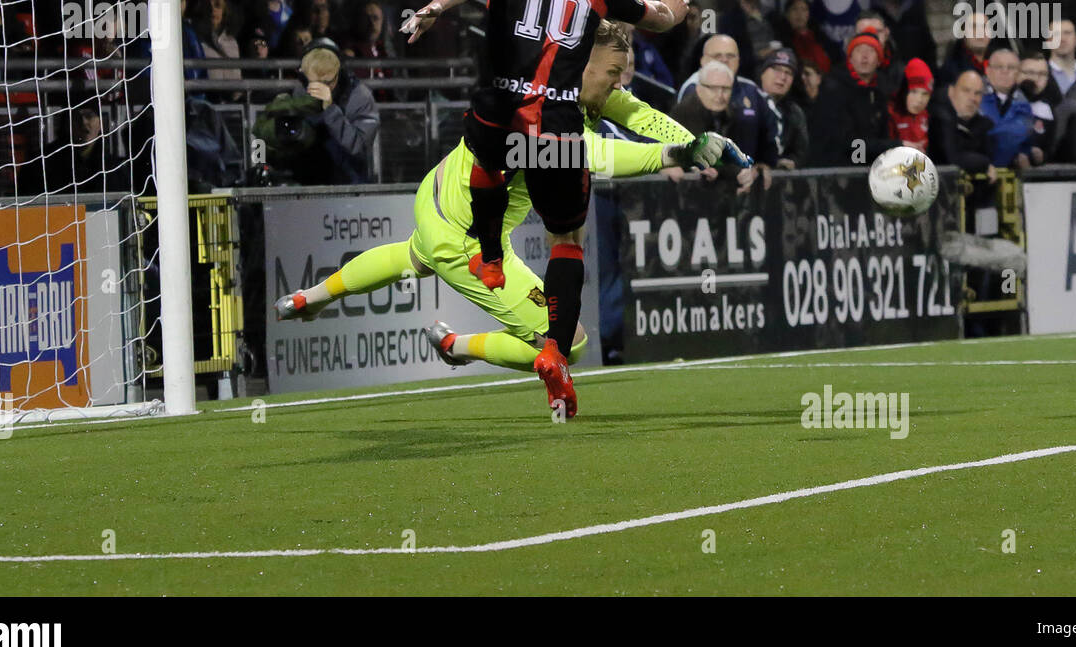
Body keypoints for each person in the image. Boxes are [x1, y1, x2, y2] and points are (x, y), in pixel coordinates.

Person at [275, 22, 748, 416]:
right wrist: (677, 154)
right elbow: (596, 154)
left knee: (413, 255)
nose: (619, 85)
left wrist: (701, 143)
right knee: (571, 340)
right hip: (466, 237)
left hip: (440, 193)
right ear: (581, 65)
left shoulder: (556, 82)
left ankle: (309, 297)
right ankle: (456, 346)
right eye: (612, 74)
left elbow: (640, 114)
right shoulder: (540, 116)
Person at [399, 0, 689, 396]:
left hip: (499, 114)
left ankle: (488, 256)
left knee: (488, 161)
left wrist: (434, 7)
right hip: (556, 127)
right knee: (566, 242)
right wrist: (675, 10)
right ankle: (555, 352)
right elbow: (655, 16)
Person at [253, 38, 379, 185]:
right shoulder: (301, 91)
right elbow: (283, 139)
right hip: (307, 182)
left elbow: (358, 146)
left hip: (350, 184)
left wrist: (330, 109)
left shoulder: (359, 96)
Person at [671, 60, 774, 191]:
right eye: (713, 88)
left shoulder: (731, 113)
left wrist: (753, 169)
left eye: (725, 89)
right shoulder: (687, 111)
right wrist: (735, 171)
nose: (720, 95)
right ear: (699, 88)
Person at [806, 31, 900, 166]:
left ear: (879, 60)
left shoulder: (881, 90)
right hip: (834, 171)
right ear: (850, 58)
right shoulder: (833, 88)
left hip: (866, 169)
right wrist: (893, 146)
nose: (864, 56)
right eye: (859, 50)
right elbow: (847, 142)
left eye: (871, 51)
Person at [980, 46, 1041, 169]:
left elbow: (1024, 139)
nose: (1005, 71)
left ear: (1018, 74)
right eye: (999, 67)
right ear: (988, 70)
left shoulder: (1024, 105)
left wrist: (1026, 152)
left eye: (1011, 67)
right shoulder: (974, 94)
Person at [872, 0, 936, 71]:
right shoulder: (874, 16)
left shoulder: (914, 12)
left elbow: (929, 47)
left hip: (916, 75)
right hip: (887, 79)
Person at [758, 47, 809, 169]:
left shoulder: (794, 112)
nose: (782, 77)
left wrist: (791, 162)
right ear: (762, 73)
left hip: (781, 183)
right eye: (777, 69)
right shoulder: (745, 104)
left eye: (788, 73)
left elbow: (801, 152)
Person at [770, 0, 841, 75]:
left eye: (804, 9)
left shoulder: (819, 35)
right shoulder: (782, 41)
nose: (799, 14)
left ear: (808, 15)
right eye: (794, 9)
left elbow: (837, 59)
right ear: (787, 14)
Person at [889, 58, 933, 152]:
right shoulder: (889, 113)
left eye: (925, 94)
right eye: (914, 92)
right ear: (904, 91)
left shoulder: (928, 116)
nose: (919, 100)